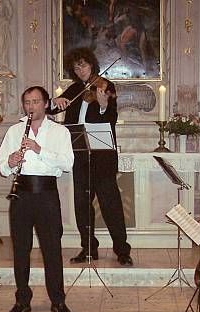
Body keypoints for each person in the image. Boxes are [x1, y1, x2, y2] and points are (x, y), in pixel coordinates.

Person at [0, 86, 74, 312]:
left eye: (36, 102)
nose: (31, 106)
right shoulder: (14, 131)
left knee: (52, 249)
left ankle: (58, 300)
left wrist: (39, 150)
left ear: (46, 103)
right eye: (27, 102)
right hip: (21, 193)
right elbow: (1, 165)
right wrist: (10, 160)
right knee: (21, 249)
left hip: (47, 195)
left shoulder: (60, 132)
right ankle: (22, 300)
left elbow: (67, 163)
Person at [51, 47, 133, 266]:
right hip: (79, 153)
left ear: (92, 65)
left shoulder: (106, 86)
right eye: (76, 66)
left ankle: (122, 250)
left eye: (84, 65)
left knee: (111, 204)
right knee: (81, 203)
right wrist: (54, 102)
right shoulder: (74, 89)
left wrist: (104, 106)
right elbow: (51, 110)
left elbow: (111, 118)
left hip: (102, 156)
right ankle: (88, 248)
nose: (80, 69)